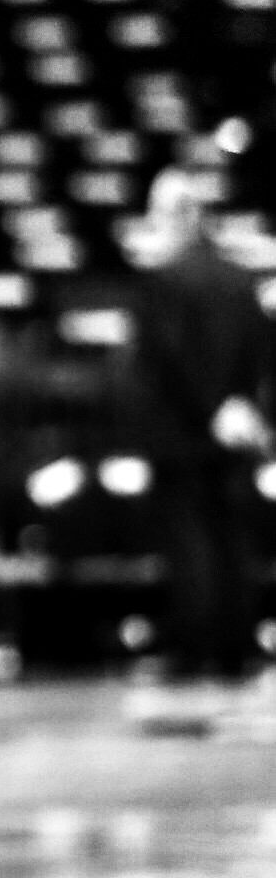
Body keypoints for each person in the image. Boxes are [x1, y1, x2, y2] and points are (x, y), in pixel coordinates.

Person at [129, 166, 273, 679]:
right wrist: (240, 406)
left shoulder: (163, 280)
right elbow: (260, 352)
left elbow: (169, 357)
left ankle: (196, 647)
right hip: (234, 427)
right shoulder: (240, 279)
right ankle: (237, 646)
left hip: (183, 431)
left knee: (190, 541)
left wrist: (210, 407)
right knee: (232, 538)